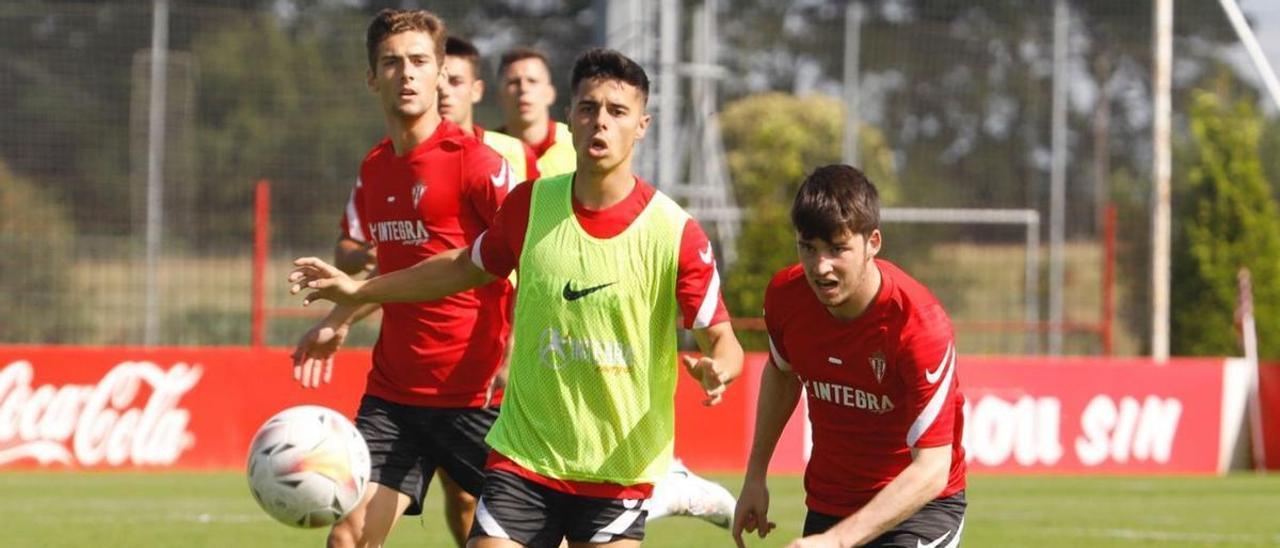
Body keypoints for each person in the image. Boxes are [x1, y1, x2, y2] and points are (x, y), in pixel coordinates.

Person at [289, 48, 744, 548]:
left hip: (619, 466)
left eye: (617, 112)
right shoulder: (531, 204)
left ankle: (669, 487)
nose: (600, 122)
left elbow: (724, 340)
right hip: (525, 458)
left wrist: (718, 367)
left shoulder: (674, 232)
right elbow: (462, 266)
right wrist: (359, 292)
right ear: (569, 117)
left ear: (642, 124)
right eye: (589, 108)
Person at [290, 9, 515, 548]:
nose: (407, 74)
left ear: (440, 73)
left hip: (478, 398)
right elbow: (390, 269)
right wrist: (338, 320)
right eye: (391, 63)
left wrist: (519, 355)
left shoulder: (478, 164)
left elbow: (528, 260)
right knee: (347, 537)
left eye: (419, 61)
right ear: (372, 79)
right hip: (395, 397)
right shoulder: (375, 168)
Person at [731, 165, 967, 548]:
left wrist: (838, 542)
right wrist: (755, 476)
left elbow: (932, 470)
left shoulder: (919, 324)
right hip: (830, 503)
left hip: (920, 511)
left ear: (873, 242)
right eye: (808, 248)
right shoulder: (786, 296)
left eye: (838, 249)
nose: (820, 267)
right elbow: (782, 373)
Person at [439, 36, 540, 185]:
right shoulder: (401, 153)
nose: (444, 90)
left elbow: (534, 207)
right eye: (438, 81)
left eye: (456, 82)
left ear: (476, 90)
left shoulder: (516, 152)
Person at [495, 47, 576, 177]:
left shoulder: (577, 144)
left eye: (532, 81)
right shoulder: (487, 150)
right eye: (514, 82)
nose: (523, 88)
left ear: (550, 94)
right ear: (499, 97)